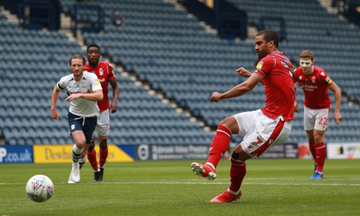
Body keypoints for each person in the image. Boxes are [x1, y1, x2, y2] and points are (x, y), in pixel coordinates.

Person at [190, 29, 295, 203]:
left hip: (276, 122)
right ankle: (210, 166)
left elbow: (246, 87)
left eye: (259, 43)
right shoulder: (283, 60)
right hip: (266, 113)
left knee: (237, 156)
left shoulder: (269, 60)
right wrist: (252, 75)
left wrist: (221, 96)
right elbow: (281, 82)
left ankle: (233, 192)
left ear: (271, 43)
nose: (256, 47)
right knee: (227, 123)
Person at [51, 54, 103, 184]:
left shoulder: (91, 77)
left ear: (83, 66)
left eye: (79, 65)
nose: (76, 68)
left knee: (84, 152)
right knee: (80, 142)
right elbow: (56, 90)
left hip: (91, 117)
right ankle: (74, 167)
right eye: (74, 65)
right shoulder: (66, 80)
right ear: (70, 66)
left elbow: (100, 95)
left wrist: (81, 95)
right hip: (75, 116)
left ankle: (76, 170)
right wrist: (53, 108)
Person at [293, 50, 342, 180]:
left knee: (317, 136)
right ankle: (317, 163)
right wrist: (293, 100)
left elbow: (337, 90)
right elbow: (291, 84)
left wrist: (337, 111)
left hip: (322, 108)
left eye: (307, 63)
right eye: (302, 63)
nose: (304, 65)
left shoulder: (320, 74)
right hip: (308, 108)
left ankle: (319, 172)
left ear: (312, 62)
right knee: (310, 137)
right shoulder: (297, 72)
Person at [78, 44, 120, 182]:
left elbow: (115, 87)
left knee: (102, 143)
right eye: (91, 52)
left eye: (96, 52)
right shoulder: (82, 70)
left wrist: (114, 101)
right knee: (90, 143)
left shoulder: (107, 67)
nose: (94, 54)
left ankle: (101, 167)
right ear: (87, 55)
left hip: (103, 111)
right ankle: (96, 171)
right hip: (88, 111)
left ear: (99, 55)